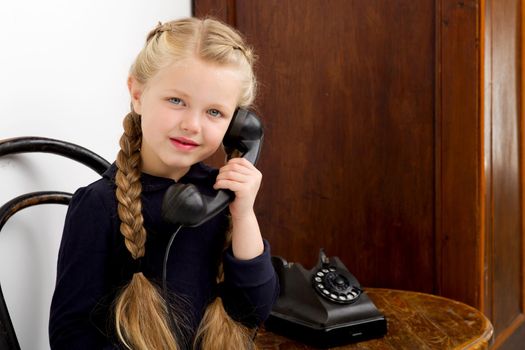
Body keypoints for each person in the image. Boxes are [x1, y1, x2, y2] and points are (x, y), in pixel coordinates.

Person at [49, 17, 279, 350]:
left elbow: (254, 310)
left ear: (237, 124)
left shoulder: (223, 196)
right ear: (138, 94)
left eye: (214, 112)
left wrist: (244, 215)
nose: (192, 124)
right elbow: (70, 338)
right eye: (176, 101)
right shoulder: (98, 206)